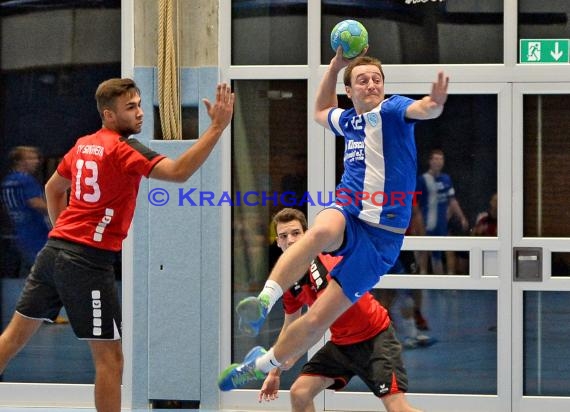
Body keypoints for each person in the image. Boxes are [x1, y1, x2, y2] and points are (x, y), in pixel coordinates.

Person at [218, 47, 448, 389]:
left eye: (376, 79)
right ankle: (263, 302)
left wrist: (436, 103)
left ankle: (261, 364)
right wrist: (334, 66)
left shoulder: (392, 109)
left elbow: (423, 108)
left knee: (319, 319)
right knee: (317, 232)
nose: (371, 84)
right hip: (350, 214)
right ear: (350, 91)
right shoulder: (350, 122)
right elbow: (321, 110)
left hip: (382, 238)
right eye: (362, 80)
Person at [0, 78, 234, 412]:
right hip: (86, 262)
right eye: (131, 108)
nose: (140, 113)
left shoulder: (83, 145)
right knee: (111, 360)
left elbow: (53, 188)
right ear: (109, 115)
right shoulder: (125, 148)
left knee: (10, 341)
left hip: (53, 253)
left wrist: (63, 231)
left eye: (139, 104)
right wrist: (216, 129)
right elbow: (179, 172)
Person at [235, 208, 421, 411]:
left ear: (307, 236)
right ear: (278, 242)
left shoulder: (326, 258)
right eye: (283, 236)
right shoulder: (289, 285)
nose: (290, 240)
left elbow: (314, 325)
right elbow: (290, 328)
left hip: (375, 338)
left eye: (296, 233)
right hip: (341, 345)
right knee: (300, 392)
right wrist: (274, 373)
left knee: (397, 407)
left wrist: (276, 359)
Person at [414, 149, 469, 275]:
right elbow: (415, 203)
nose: (438, 162)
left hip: (442, 223)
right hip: (426, 223)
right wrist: (418, 223)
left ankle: (448, 282)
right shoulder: (422, 180)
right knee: (424, 252)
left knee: (444, 252)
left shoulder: (446, 179)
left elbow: (452, 200)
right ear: (430, 161)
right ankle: (423, 283)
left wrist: (461, 217)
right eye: (436, 159)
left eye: (441, 159)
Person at [0, 146, 51, 276]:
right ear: (19, 161)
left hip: (20, 233)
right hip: (37, 235)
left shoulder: (7, 182)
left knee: (27, 273)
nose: (36, 161)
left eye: (36, 158)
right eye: (30, 158)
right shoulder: (26, 180)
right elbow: (36, 203)